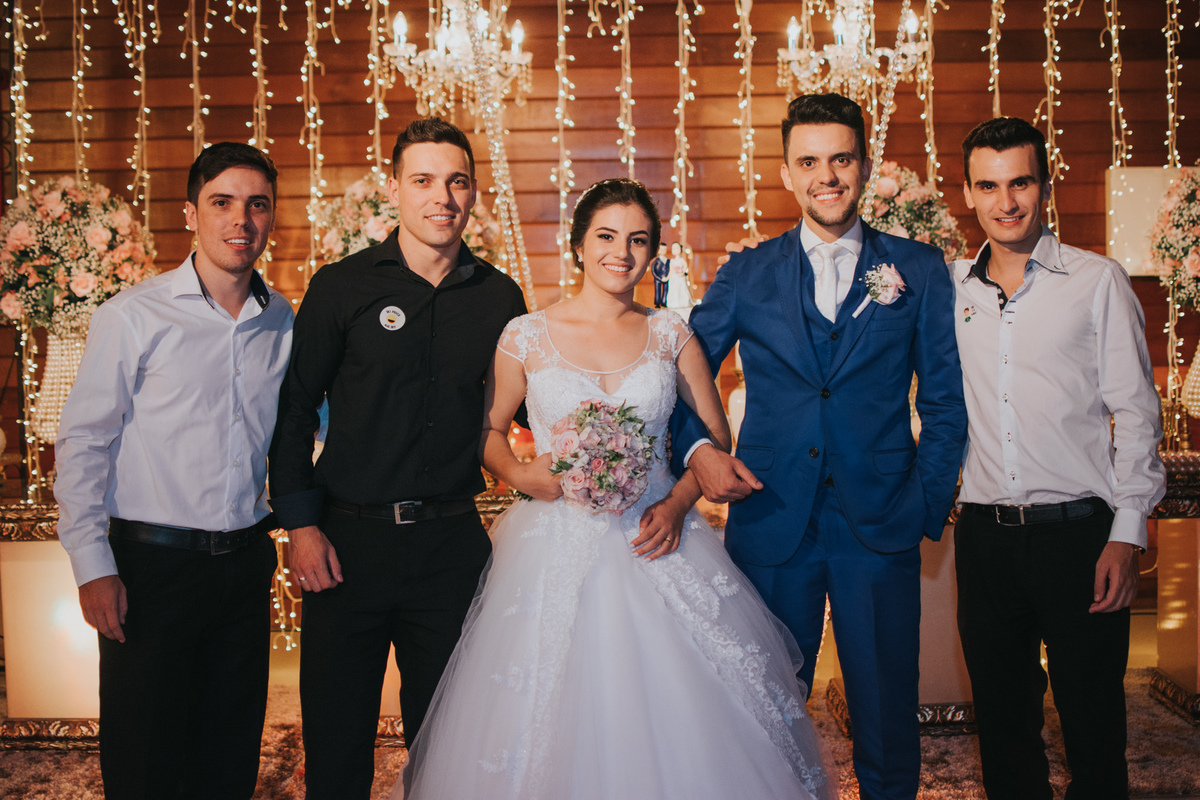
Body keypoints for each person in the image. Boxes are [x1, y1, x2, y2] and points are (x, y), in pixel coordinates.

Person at [392, 177, 834, 800]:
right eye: (606, 236)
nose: (621, 253)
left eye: (638, 240)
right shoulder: (525, 335)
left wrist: (678, 503)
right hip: (555, 536)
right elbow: (488, 432)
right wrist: (521, 473)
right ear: (578, 245)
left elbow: (714, 439)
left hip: (656, 532)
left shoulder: (670, 333)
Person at [674, 92, 968, 800]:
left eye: (840, 159)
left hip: (882, 519)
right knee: (766, 705)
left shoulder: (920, 268)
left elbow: (945, 399)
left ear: (863, 165)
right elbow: (680, 375)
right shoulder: (747, 273)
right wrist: (698, 451)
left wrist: (924, 503)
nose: (825, 176)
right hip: (771, 514)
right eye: (808, 162)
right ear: (785, 173)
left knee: (887, 708)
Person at [267, 117, 527, 800]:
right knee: (337, 742)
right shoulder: (341, 287)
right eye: (424, 180)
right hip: (346, 546)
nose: (442, 197)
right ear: (394, 189)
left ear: (473, 193)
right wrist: (301, 526)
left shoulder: (500, 298)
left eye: (457, 182)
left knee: (450, 746)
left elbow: (532, 406)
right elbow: (293, 411)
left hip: (451, 548)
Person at [54, 142, 293, 799]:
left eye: (257, 204)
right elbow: (84, 441)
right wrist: (92, 565)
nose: (240, 219)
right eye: (222, 202)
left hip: (244, 566)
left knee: (229, 754)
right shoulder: (132, 315)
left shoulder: (282, 321)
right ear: (191, 213)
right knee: (145, 758)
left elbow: (312, 425)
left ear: (271, 216)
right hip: (150, 568)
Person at [953, 117, 1166, 799]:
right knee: (1004, 731)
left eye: (1020, 182)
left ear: (1044, 186)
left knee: (1094, 726)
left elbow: (1138, 413)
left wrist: (1126, 535)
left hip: (1081, 538)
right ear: (968, 193)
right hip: (984, 539)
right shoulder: (949, 290)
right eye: (989, 185)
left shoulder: (1097, 281)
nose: (1006, 201)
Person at [651, 242, 670, 307]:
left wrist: (667, 277)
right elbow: (653, 271)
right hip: (658, 279)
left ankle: (664, 302)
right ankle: (657, 303)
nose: (663, 251)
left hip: (666, 278)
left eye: (664, 249)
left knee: (665, 291)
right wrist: (658, 278)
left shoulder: (668, 260)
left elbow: (670, 269)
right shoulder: (656, 261)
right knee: (657, 291)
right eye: (661, 249)